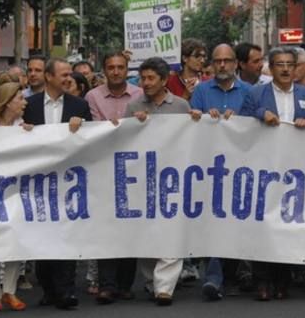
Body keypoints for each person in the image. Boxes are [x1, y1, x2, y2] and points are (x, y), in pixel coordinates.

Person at [240, 47, 305, 301]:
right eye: (279, 64)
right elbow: (240, 126)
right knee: (263, 226)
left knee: (286, 226)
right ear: (270, 69)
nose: (284, 69)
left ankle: (283, 281)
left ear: (296, 68)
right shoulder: (255, 93)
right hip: (264, 169)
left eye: (289, 64)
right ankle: (262, 280)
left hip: (294, 172)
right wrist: (261, 114)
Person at [22, 58, 92, 310]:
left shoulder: (79, 105)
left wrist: (82, 127)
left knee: (66, 235)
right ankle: (50, 289)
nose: (67, 78)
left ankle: (66, 291)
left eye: (69, 75)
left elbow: (92, 140)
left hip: (68, 183)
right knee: (42, 237)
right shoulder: (27, 105)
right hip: (37, 183)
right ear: (49, 77)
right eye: (62, 74)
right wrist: (22, 131)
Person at [124, 57, 192, 307]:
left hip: (174, 178)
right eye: (143, 78)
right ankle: (152, 281)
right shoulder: (133, 107)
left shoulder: (182, 106)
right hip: (142, 178)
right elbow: (123, 141)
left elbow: (192, 137)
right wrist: (133, 125)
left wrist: (197, 119)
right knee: (147, 232)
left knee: (172, 230)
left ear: (164, 81)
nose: (146, 83)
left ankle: (165, 287)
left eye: (151, 78)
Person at [189, 44, 251, 301]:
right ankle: (214, 278)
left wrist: (239, 121)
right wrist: (203, 117)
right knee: (214, 221)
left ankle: (241, 270)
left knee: (241, 219)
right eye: (218, 61)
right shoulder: (201, 92)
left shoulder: (250, 92)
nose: (223, 65)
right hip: (211, 167)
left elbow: (256, 124)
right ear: (211, 65)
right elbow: (192, 124)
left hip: (243, 166)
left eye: (227, 60)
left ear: (236, 63)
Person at [85, 52, 143, 305]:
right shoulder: (93, 96)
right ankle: (107, 285)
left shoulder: (141, 95)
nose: (116, 71)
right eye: (111, 67)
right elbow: (97, 129)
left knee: (130, 228)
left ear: (127, 69)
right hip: (104, 168)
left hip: (134, 168)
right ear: (104, 70)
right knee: (106, 228)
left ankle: (125, 284)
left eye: (121, 67)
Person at [0, 82, 31, 311]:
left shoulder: (24, 128)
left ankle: (9, 291)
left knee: (14, 241)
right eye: (20, 98)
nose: (24, 102)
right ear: (8, 101)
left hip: (15, 193)